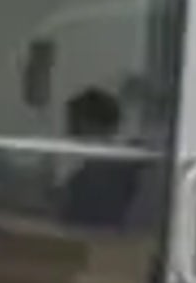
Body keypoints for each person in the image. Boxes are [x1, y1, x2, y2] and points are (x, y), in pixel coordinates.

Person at [57, 87, 146, 230]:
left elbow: (70, 220)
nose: (70, 133)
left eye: (73, 124)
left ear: (86, 124)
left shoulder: (98, 173)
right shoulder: (128, 161)